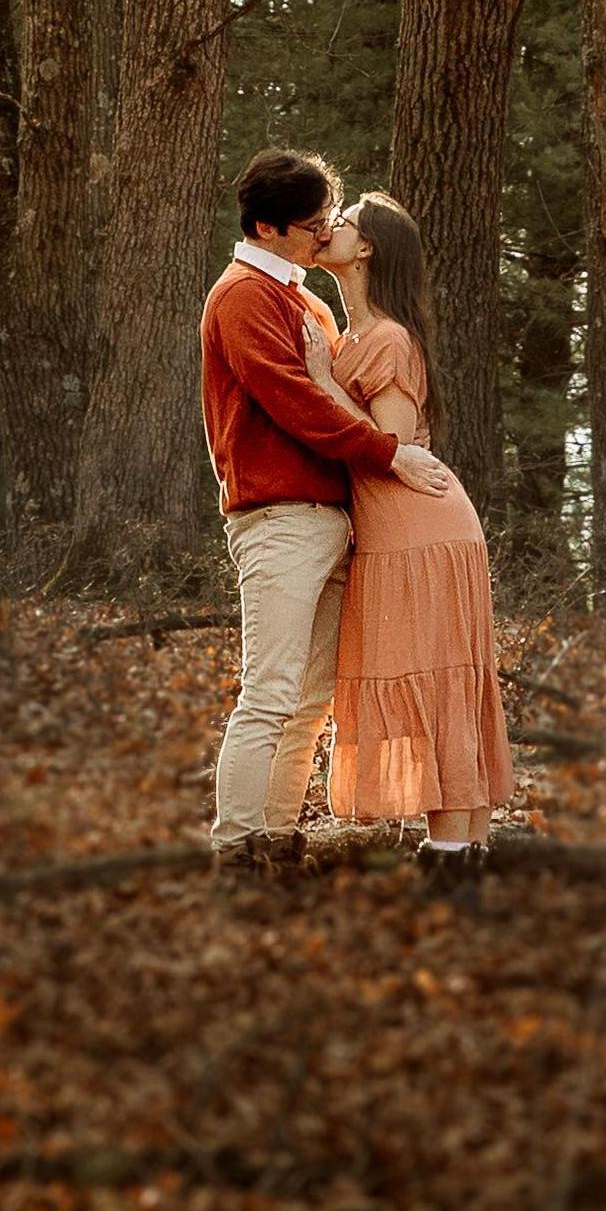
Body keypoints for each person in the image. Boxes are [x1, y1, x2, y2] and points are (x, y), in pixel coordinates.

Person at [201, 148, 452, 878]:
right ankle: (234, 846)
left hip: (330, 515)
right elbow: (294, 401)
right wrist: (385, 452)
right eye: (309, 225)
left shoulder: (305, 299)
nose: (322, 234)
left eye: (325, 222)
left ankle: (280, 839)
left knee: (309, 697)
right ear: (266, 226)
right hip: (277, 515)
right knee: (270, 689)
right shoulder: (243, 294)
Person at [308, 192, 511, 896]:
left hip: (420, 527)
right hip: (399, 527)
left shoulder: (388, 337)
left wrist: (317, 379)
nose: (325, 229)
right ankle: (467, 857)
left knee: (439, 676)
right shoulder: (348, 334)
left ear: (365, 249)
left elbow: (384, 445)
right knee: (437, 674)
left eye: (341, 223)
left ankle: (452, 855)